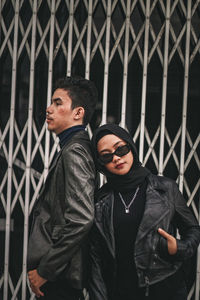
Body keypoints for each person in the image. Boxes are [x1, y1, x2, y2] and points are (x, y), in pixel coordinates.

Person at [88, 123, 200, 300]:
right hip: (119, 291)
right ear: (100, 164)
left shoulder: (165, 188)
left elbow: (193, 229)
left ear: (131, 147)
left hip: (164, 288)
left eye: (121, 149)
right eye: (106, 156)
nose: (116, 158)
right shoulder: (100, 199)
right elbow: (95, 258)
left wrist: (179, 247)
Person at [27, 76, 98, 299]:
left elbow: (81, 218)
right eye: (51, 103)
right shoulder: (72, 147)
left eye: (58, 103)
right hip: (61, 274)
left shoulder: (74, 151)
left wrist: (46, 270)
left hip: (60, 276)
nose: (49, 109)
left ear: (78, 113)